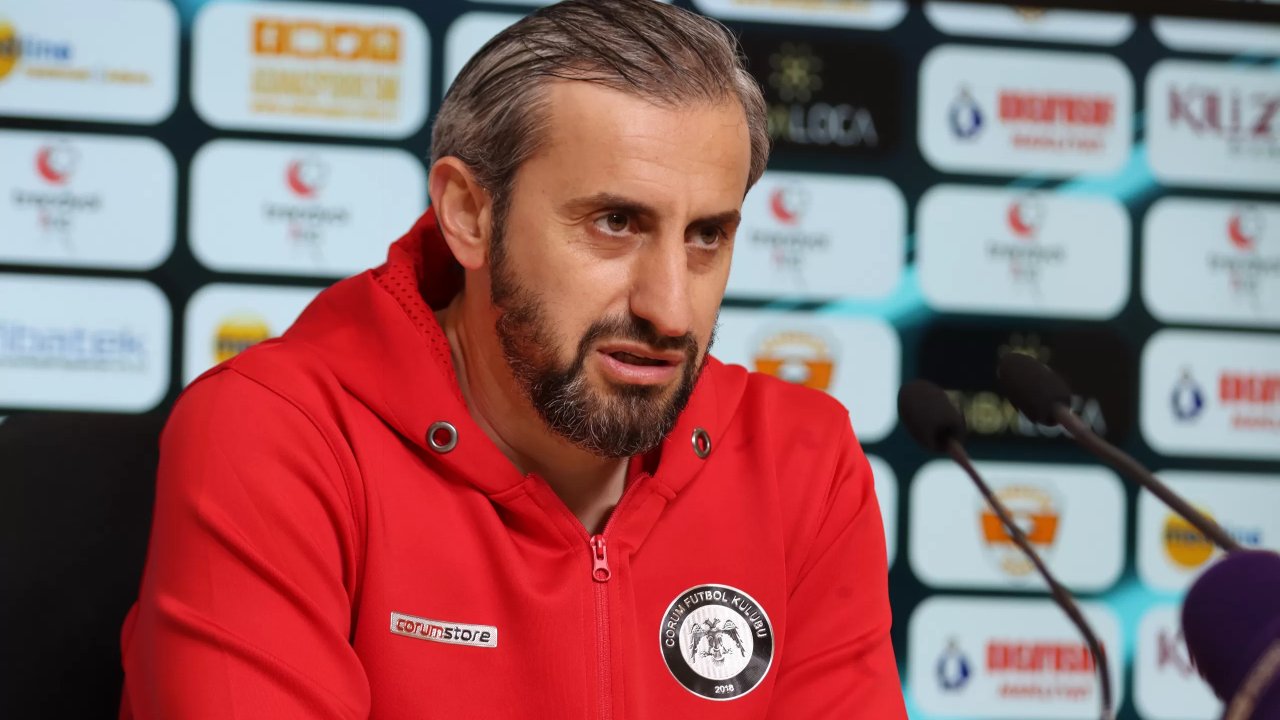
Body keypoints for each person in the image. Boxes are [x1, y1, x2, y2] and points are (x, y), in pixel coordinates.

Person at [119, 1, 906, 717]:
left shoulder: (799, 460)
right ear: (469, 215)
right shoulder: (281, 434)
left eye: (707, 236)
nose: (670, 309)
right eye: (615, 222)